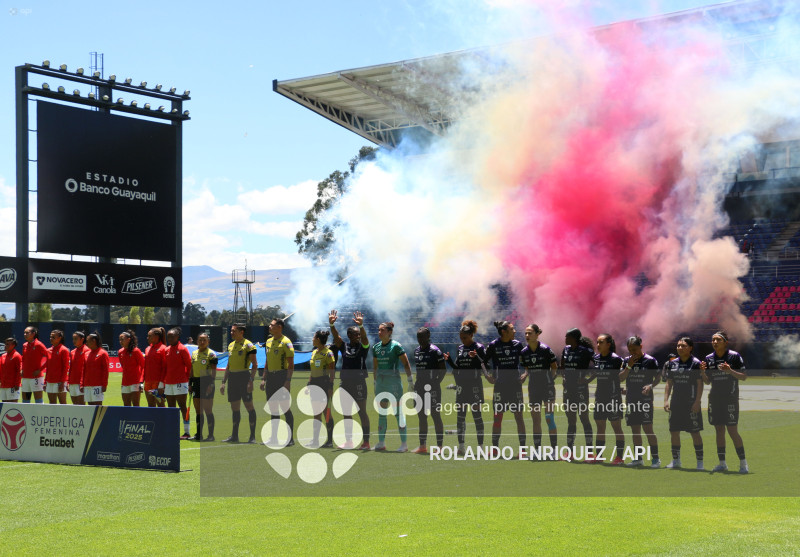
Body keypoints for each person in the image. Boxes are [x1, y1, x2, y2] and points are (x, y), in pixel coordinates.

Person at [700, 331, 749, 474]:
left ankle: (743, 464)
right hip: (715, 399)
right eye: (713, 340)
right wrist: (703, 372)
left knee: (733, 431)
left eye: (718, 340)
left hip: (730, 398)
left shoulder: (734, 356)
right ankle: (722, 463)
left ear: (725, 342)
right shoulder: (709, 359)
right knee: (719, 431)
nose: (714, 342)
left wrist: (730, 371)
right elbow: (707, 382)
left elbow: (744, 377)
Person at [329, 309, 371, 450]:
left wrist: (361, 326)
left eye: (359, 334)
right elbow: (337, 338)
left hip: (359, 383)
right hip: (345, 384)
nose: (358, 337)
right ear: (349, 335)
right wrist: (331, 325)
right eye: (355, 334)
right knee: (346, 413)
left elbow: (365, 339)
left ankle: (366, 442)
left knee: (361, 412)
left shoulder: (363, 347)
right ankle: (349, 441)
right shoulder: (344, 346)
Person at [444, 320, 486, 455]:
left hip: (475, 387)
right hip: (462, 388)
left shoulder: (479, 347)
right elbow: (457, 368)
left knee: (477, 416)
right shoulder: (460, 348)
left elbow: (486, 365)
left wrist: (477, 357)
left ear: (471, 335)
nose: (462, 340)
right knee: (460, 417)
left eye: (465, 338)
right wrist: (449, 361)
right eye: (461, 338)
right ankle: (461, 447)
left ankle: (480, 447)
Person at [484, 320, 526, 453]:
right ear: (504, 332)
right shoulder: (493, 345)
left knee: (519, 417)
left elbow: (528, 361)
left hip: (515, 386)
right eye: (512, 329)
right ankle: (495, 449)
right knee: (497, 418)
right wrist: (487, 376)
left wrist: (526, 374)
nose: (514, 331)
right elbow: (483, 362)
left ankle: (522, 450)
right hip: (500, 387)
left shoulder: (518, 345)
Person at [618, 336, 661, 468]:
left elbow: (658, 377)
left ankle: (655, 459)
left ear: (641, 347)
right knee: (635, 430)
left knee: (648, 429)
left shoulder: (650, 361)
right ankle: (638, 459)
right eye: (630, 350)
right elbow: (620, 378)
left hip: (645, 400)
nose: (632, 352)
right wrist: (629, 367)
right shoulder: (626, 361)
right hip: (631, 399)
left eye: (635, 349)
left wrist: (650, 386)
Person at [663, 337, 704, 470]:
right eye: (678, 346)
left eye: (683, 346)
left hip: (691, 403)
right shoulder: (672, 364)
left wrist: (697, 402)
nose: (680, 348)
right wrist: (665, 400)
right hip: (676, 403)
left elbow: (700, 384)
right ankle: (676, 461)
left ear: (690, 348)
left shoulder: (696, 363)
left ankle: (700, 463)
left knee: (695, 432)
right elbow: (669, 383)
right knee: (674, 431)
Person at [372, 321, 412, 452]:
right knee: (382, 412)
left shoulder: (396, 346)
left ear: (389, 332)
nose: (379, 332)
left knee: (398, 413)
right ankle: (381, 443)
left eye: (382, 330)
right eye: (378, 330)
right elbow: (375, 366)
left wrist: (410, 380)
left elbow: (406, 364)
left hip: (393, 383)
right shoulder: (376, 347)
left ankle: (404, 444)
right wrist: (375, 381)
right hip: (381, 383)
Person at [519, 324, 558, 457]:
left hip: (547, 388)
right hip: (533, 389)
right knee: (536, 420)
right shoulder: (524, 352)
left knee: (549, 418)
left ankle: (553, 451)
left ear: (537, 334)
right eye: (526, 333)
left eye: (530, 333)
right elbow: (527, 368)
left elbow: (554, 367)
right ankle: (537, 450)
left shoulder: (545, 350)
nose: (527, 336)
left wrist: (549, 380)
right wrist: (525, 374)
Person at [587, 334, 625, 465]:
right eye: (597, 342)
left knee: (616, 427)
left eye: (601, 342)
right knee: (600, 426)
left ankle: (619, 457)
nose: (598, 345)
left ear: (608, 344)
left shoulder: (616, 359)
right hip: (600, 397)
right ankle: (599, 456)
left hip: (613, 397)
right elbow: (597, 373)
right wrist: (586, 381)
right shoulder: (596, 359)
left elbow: (620, 377)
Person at [259, 318, 295, 446]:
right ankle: (274, 438)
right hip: (271, 378)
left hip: (282, 376)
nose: (269, 326)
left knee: (285, 408)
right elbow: (267, 361)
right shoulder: (268, 341)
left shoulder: (286, 342)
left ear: (279, 327)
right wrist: (264, 378)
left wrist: (287, 381)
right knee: (273, 408)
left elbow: (291, 364)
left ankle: (290, 439)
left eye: (272, 325)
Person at [560, 327, 594, 460]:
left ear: (574, 338)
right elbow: (562, 365)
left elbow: (599, 364)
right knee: (571, 420)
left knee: (584, 418)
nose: (565, 339)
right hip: (568, 389)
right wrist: (563, 377)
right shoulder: (566, 350)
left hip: (580, 389)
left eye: (567, 337)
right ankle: (570, 452)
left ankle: (590, 453)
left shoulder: (586, 351)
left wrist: (588, 379)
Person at [411, 327, 446, 455]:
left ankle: (440, 446)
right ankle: (422, 445)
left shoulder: (435, 351)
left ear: (428, 336)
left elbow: (443, 370)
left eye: (422, 337)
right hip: (419, 387)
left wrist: (436, 382)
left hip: (432, 388)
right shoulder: (416, 351)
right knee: (421, 416)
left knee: (435, 415)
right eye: (418, 337)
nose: (420, 339)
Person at [222, 323, 259, 443]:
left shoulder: (249, 346)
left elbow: (255, 365)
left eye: (234, 331)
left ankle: (252, 437)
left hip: (244, 377)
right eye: (231, 331)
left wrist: (251, 381)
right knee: (235, 408)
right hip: (232, 379)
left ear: (241, 332)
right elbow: (228, 365)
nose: (231, 333)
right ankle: (234, 436)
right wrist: (223, 382)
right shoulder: (231, 345)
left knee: (249, 407)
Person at [307, 329, 336, 448]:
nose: (312, 339)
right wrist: (309, 382)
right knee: (316, 413)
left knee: (326, 412)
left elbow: (332, 371)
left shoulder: (328, 353)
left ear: (318, 339)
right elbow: (313, 370)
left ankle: (329, 441)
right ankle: (315, 440)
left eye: (314, 337)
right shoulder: (314, 352)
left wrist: (330, 386)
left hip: (324, 384)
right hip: (314, 384)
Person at [164, 328, 193, 440]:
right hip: (169, 383)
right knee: (171, 408)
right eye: (168, 336)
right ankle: (172, 431)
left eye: (172, 336)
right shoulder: (166, 350)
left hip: (181, 382)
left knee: (182, 407)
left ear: (177, 336)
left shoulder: (182, 349)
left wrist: (188, 380)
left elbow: (189, 366)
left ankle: (186, 432)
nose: (170, 338)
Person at [190, 332, 218, 441]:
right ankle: (198, 434)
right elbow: (192, 370)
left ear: (208, 342)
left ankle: (211, 436)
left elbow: (214, 372)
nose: (202, 342)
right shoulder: (194, 353)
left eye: (204, 340)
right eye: (200, 340)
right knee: (198, 410)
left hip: (207, 383)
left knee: (208, 410)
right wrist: (190, 384)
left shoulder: (211, 354)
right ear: (197, 341)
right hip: (196, 383)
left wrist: (211, 384)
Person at [20, 326, 48, 403]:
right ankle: (26, 415)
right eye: (24, 332)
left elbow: (49, 358)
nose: (25, 334)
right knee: (25, 400)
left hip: (36, 377)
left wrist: (40, 370)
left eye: (27, 333)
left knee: (38, 401)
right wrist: (22, 369)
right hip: (25, 377)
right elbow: (23, 359)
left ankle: (39, 415)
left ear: (33, 334)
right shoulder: (24, 345)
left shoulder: (39, 344)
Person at [118, 330, 144, 407]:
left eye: (122, 339)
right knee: (126, 405)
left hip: (135, 382)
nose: (120, 341)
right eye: (119, 339)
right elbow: (123, 367)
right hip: (125, 382)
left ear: (128, 339)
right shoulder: (120, 352)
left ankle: (136, 419)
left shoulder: (136, 351)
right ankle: (127, 419)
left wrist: (141, 381)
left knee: (136, 405)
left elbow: (143, 366)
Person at [83, 332, 110, 406]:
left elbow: (106, 371)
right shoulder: (86, 354)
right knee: (90, 406)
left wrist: (104, 385)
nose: (86, 343)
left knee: (97, 406)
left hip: (97, 385)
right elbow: (84, 370)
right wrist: (82, 384)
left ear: (94, 341)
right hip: (87, 385)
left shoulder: (103, 353)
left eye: (88, 341)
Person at [143, 327, 167, 408]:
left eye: (150, 336)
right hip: (148, 382)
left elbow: (164, 367)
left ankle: (163, 421)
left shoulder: (163, 348)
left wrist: (162, 383)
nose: (147, 338)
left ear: (156, 337)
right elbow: (145, 366)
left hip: (158, 383)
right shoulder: (147, 349)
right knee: (150, 406)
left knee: (161, 405)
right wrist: (142, 380)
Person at [45, 330, 70, 404]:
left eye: (53, 337)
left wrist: (62, 382)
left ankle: (64, 416)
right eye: (50, 337)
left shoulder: (64, 350)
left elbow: (65, 367)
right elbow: (48, 368)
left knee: (62, 403)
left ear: (59, 338)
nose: (51, 338)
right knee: (52, 403)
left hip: (60, 382)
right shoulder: (48, 350)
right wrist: (45, 381)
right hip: (50, 381)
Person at [68, 331, 89, 405]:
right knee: (75, 405)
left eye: (76, 339)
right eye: (73, 339)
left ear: (82, 339)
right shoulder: (72, 352)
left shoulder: (87, 350)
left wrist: (82, 383)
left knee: (81, 405)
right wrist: (68, 382)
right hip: (72, 382)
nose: (74, 341)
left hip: (81, 383)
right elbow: (70, 368)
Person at [0, 338, 22, 402]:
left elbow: (19, 371)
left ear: (13, 345)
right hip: (3, 386)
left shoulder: (17, 356)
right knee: (4, 406)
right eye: (5, 344)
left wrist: (17, 384)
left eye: (7, 344)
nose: (5, 346)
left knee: (12, 406)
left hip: (13, 386)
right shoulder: (3, 356)